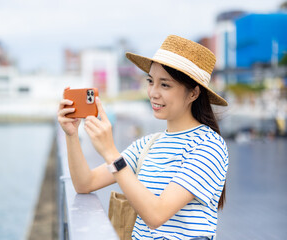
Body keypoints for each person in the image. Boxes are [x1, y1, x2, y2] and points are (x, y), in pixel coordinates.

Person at [58, 35, 228, 240]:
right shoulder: (149, 144)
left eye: (165, 85)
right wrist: (71, 134)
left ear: (193, 93)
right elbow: (85, 183)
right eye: (150, 81)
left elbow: (156, 215)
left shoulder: (209, 146)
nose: (153, 93)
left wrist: (111, 153)